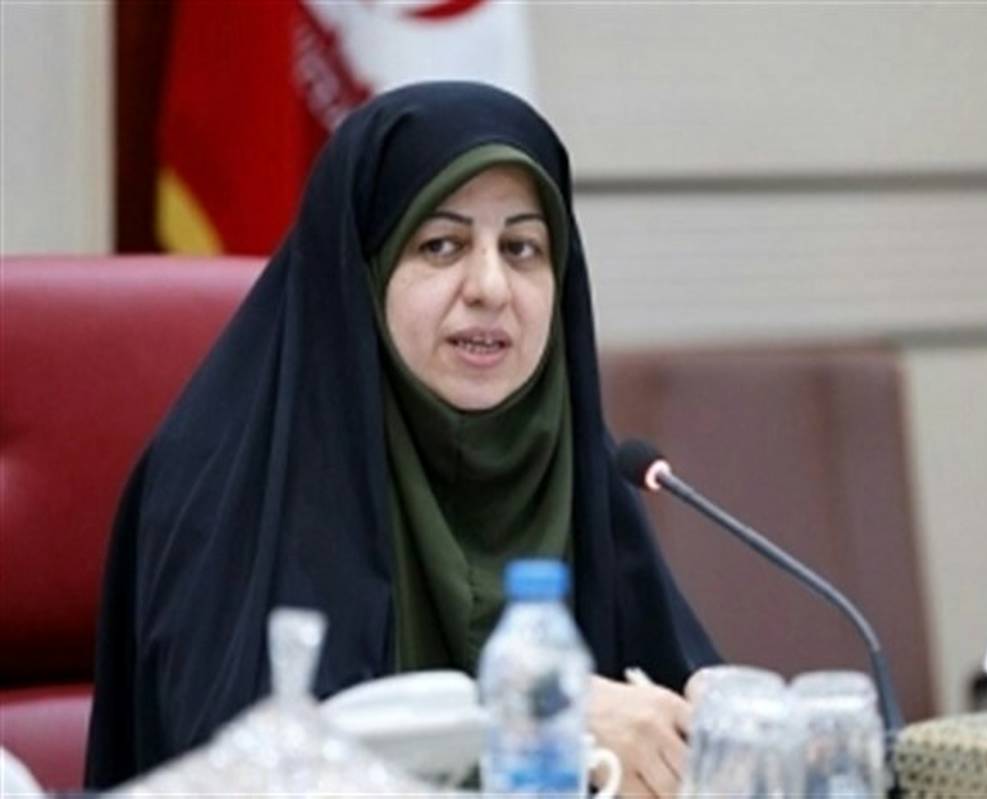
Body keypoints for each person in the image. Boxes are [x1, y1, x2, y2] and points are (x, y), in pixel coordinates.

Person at [84, 82, 719, 797]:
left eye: (522, 248)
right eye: (441, 245)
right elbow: (241, 772)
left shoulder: (581, 466)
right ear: (365, 267)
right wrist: (538, 720)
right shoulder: (230, 479)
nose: (490, 286)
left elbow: (681, 722)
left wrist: (720, 725)